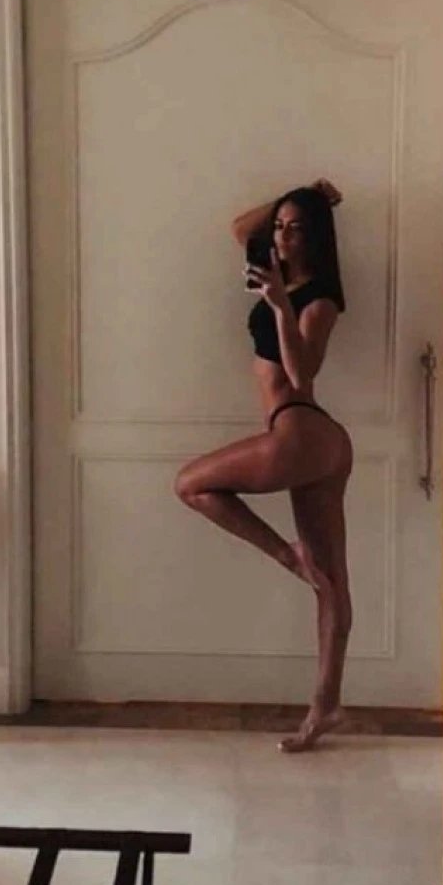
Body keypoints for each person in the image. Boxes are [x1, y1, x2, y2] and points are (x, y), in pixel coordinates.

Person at [174, 179, 354, 752]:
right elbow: (238, 228)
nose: (283, 236)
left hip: (299, 427)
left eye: (297, 229)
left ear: (317, 238)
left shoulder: (319, 298)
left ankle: (286, 555)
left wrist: (279, 305)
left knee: (190, 484)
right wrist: (304, 193)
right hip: (313, 439)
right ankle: (325, 707)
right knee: (330, 584)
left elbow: (302, 374)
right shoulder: (276, 269)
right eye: (280, 226)